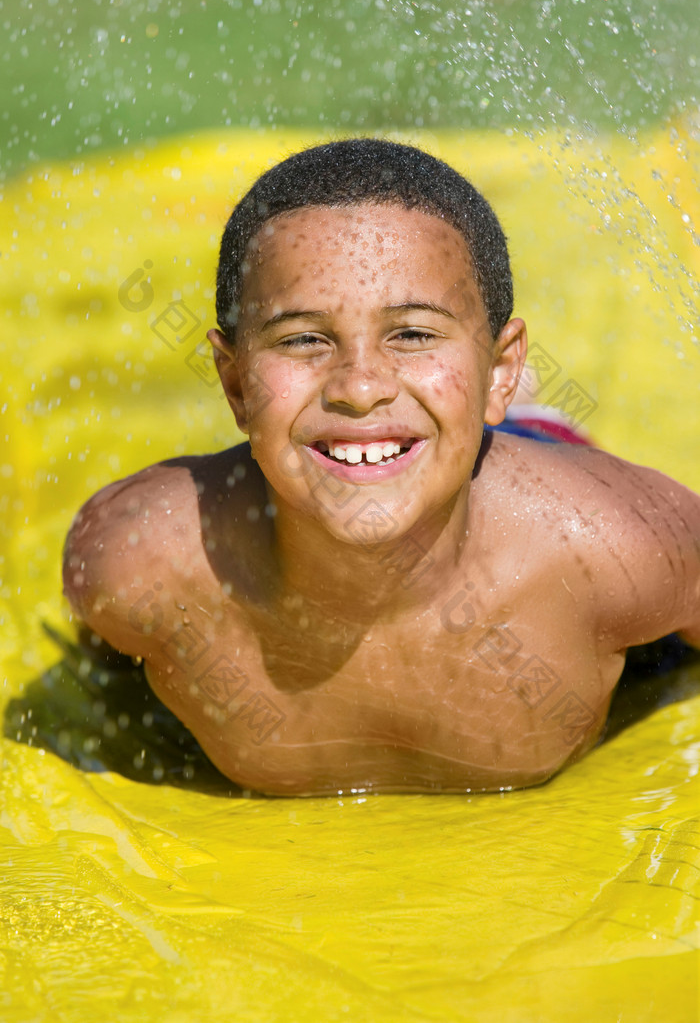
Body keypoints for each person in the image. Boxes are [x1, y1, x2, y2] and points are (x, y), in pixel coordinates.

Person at [62, 138, 700, 797]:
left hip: (524, 453)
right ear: (235, 386)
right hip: (409, 440)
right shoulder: (140, 563)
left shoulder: (614, 548)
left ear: (500, 368)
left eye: (413, 334)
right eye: (304, 339)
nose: (360, 386)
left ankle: (513, 404)